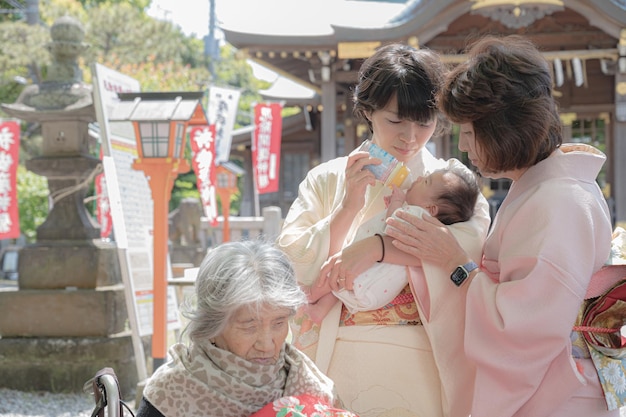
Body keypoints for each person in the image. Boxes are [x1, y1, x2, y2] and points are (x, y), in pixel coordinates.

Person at [385, 35, 615, 416]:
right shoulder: (546, 190)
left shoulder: (557, 201)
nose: (462, 146)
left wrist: (453, 262)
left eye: (471, 132)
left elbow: (520, 330)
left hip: (557, 398)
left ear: (505, 129)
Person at [277, 43, 491, 417]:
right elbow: (291, 260)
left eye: (424, 123)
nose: (410, 137)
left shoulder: (450, 181)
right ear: (368, 111)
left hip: (424, 354)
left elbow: (469, 250)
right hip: (341, 350)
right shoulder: (327, 179)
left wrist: (379, 247)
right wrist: (347, 208)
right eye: (396, 121)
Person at [135, 240, 355, 417]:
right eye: (249, 326)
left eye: (279, 323)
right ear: (213, 324)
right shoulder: (172, 392)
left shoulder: (309, 384)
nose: (267, 344)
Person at [305, 165, 480, 321]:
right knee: (337, 287)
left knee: (333, 277)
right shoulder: (430, 227)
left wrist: (396, 203)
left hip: (369, 276)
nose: (418, 178)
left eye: (426, 181)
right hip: (375, 289)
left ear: (430, 209)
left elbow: (392, 227)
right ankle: (320, 311)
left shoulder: (418, 216)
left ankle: (311, 294)